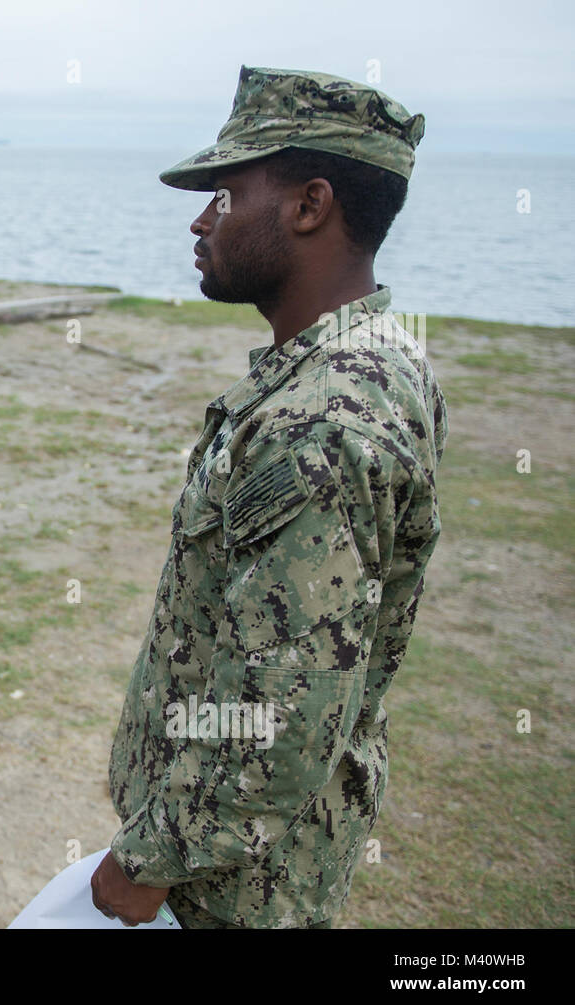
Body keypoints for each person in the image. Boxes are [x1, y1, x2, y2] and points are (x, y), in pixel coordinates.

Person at [91, 66, 446, 929]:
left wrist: (147, 860)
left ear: (308, 205)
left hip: (230, 885)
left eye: (224, 193)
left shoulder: (323, 417)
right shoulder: (377, 357)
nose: (200, 218)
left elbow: (282, 705)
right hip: (262, 851)